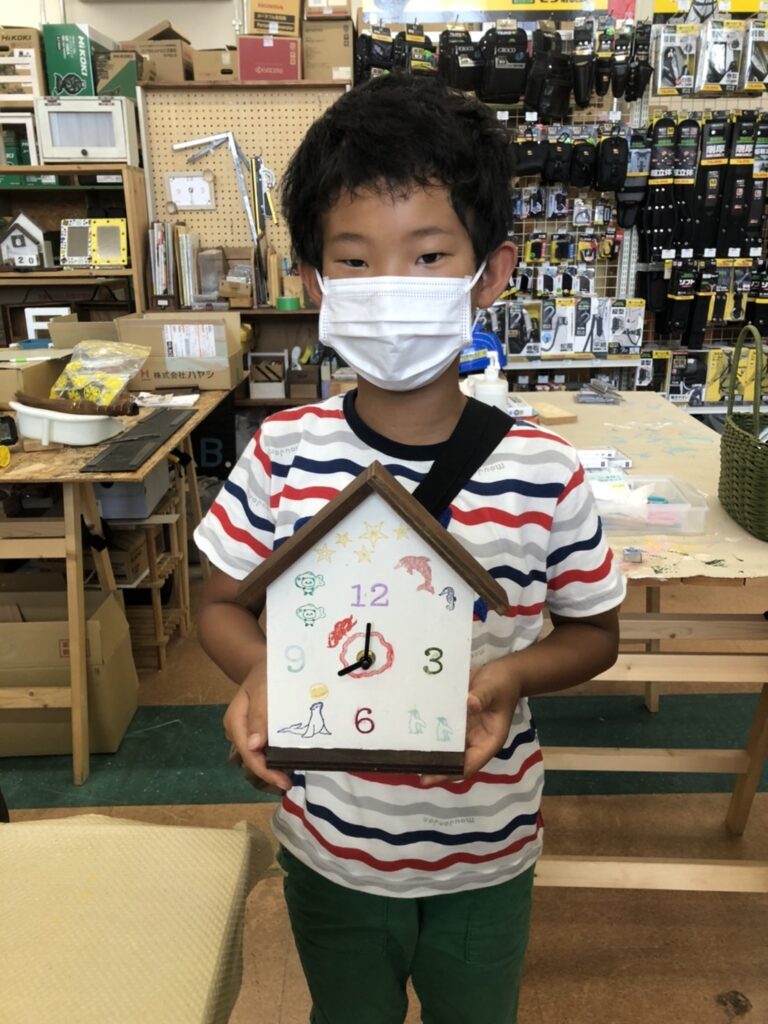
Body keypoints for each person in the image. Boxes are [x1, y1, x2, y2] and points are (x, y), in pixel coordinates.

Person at [195, 74, 625, 1024]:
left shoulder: (543, 468)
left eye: (429, 255)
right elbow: (219, 603)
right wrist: (261, 672)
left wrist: (511, 677)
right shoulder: (282, 452)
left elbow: (595, 633)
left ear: (492, 272)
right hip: (332, 845)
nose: (391, 286)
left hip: (487, 845)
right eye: (354, 260)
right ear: (314, 282)